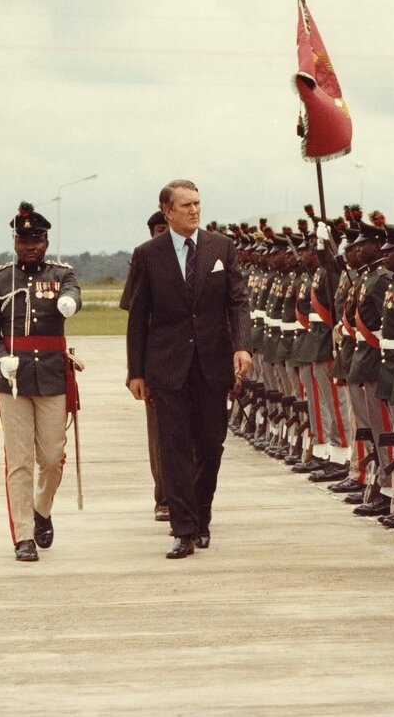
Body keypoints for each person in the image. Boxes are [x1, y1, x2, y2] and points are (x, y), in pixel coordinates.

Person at [125, 179, 252, 559]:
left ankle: (201, 518)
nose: (194, 210)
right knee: (174, 447)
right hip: (167, 366)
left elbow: (237, 302)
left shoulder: (221, 247)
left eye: (197, 203)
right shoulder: (148, 254)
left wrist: (242, 346)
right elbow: (138, 317)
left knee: (211, 445)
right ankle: (183, 530)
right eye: (186, 205)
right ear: (168, 211)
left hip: (213, 365)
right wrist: (136, 372)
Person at [0, 202, 82, 562]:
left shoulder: (62, 274)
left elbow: (74, 293)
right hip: (12, 380)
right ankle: (23, 536)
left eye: (36, 240)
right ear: (15, 242)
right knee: (19, 460)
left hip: (52, 375)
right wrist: (0, 359)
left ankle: (41, 508)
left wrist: (70, 302)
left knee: (52, 457)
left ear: (46, 242)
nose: (30, 247)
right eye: (24, 241)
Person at [119, 210, 170, 522]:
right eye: (159, 230)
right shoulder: (144, 260)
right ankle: (164, 497)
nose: (165, 234)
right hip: (156, 361)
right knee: (160, 435)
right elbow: (135, 320)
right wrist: (135, 371)